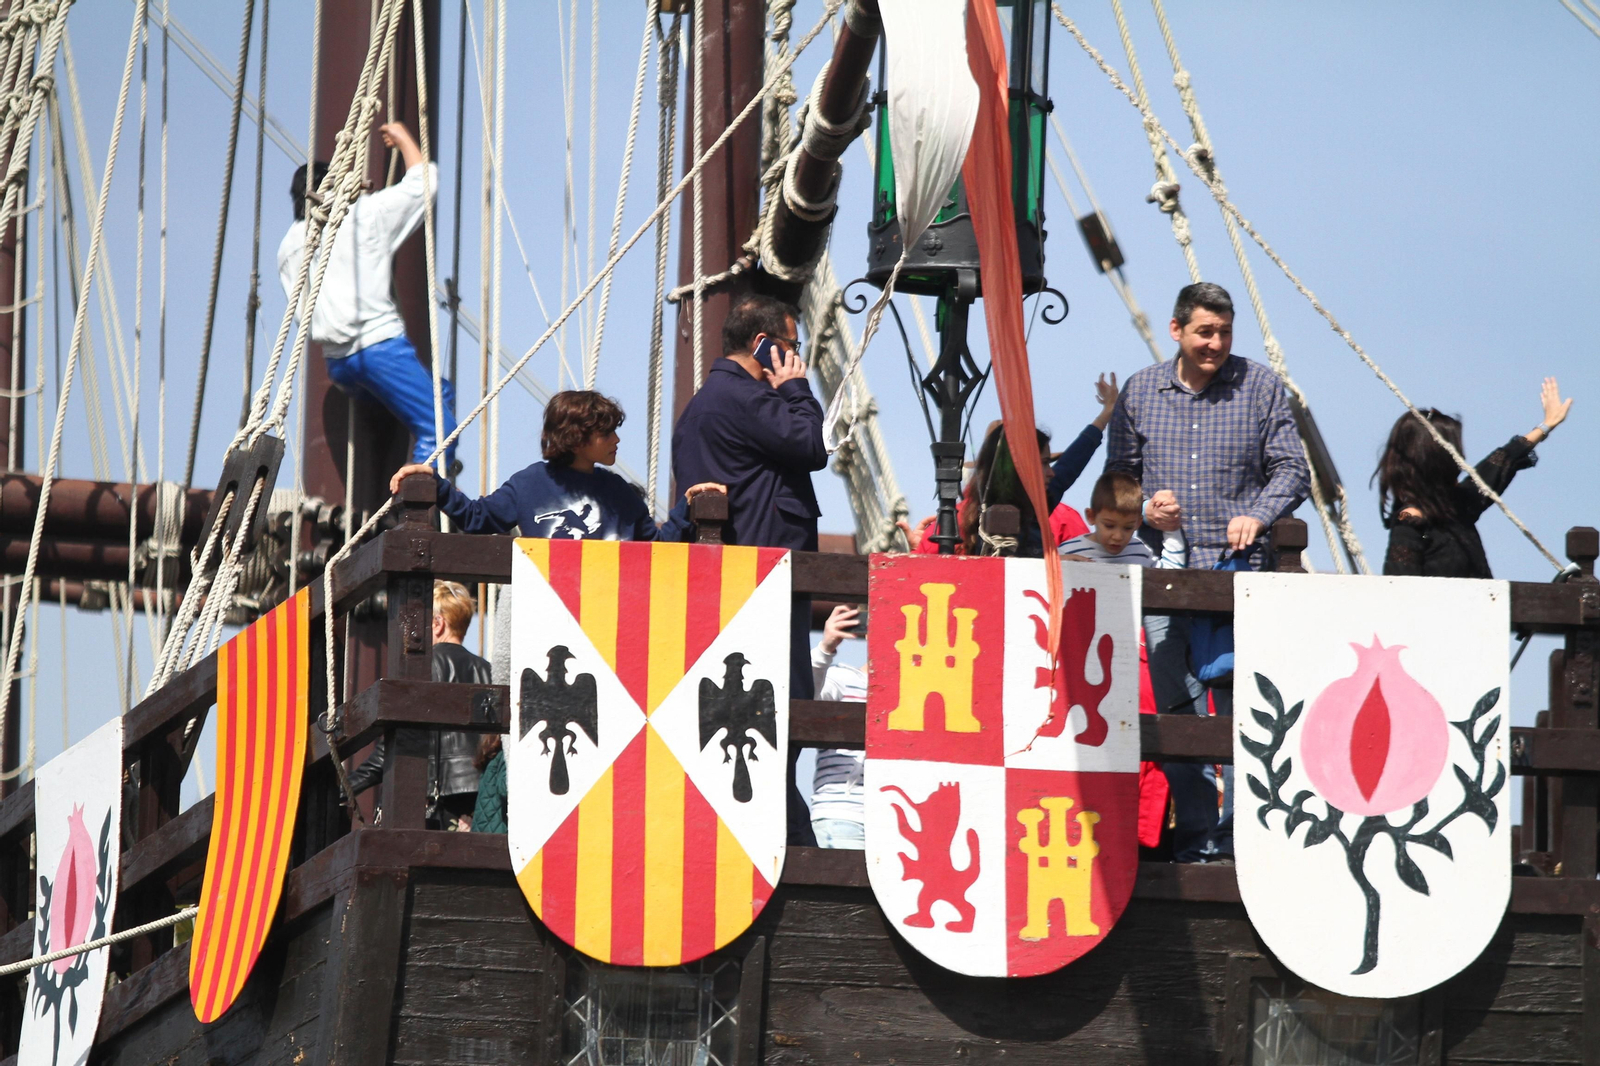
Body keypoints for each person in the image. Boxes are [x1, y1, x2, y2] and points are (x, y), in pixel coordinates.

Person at [1105, 281, 1309, 864]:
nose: (1216, 343)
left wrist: (1260, 513)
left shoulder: (1261, 386)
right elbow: (1118, 476)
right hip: (1165, 574)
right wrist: (1143, 509)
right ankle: (1196, 836)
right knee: (1178, 709)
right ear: (1177, 331)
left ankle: (1239, 834)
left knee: (1244, 705)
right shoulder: (1141, 391)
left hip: (1239, 573)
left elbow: (1293, 470)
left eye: (1224, 332)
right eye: (1204, 331)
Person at [672, 294, 824, 846]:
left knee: (751, 715)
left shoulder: (702, 407)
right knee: (780, 710)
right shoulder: (745, 398)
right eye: (792, 346)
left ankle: (783, 826)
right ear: (766, 345)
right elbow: (810, 444)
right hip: (765, 579)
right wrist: (795, 388)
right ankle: (787, 835)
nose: (796, 357)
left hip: (731, 581)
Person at [281, 122, 458, 471]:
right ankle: (413, 507)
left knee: (442, 391)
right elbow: (424, 183)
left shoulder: (288, 247)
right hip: (380, 350)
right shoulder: (362, 217)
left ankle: (418, 475)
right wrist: (404, 139)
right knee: (440, 427)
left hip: (339, 366)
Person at [394, 390, 662, 538]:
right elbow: (477, 518)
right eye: (606, 433)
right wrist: (435, 483)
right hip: (552, 616)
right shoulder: (531, 484)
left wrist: (692, 504)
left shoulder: (618, 491)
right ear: (576, 438)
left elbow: (657, 544)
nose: (617, 439)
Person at [1377, 379, 1572, 578]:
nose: (1461, 458)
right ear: (1437, 459)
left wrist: (1547, 425)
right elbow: (1398, 590)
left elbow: (1501, 461)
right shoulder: (1411, 522)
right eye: (1454, 451)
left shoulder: (1458, 506)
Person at [911, 374, 1120, 557]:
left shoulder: (1037, 505)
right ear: (1019, 468)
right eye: (1044, 463)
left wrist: (1105, 415)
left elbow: (1072, 463)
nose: (1052, 473)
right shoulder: (954, 525)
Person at [347, 581, 492, 828]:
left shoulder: (420, 671)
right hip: (477, 800)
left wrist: (347, 786)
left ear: (437, 624)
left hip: (433, 802)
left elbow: (395, 743)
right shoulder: (489, 671)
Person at [810, 605, 867, 849]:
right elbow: (804, 696)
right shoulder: (845, 679)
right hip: (844, 814)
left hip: (903, 820)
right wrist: (826, 647)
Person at [1059, 471, 1186, 568]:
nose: (1118, 536)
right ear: (1091, 516)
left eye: (1128, 527)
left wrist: (1172, 529)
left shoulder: (1140, 551)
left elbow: (1170, 574)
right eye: (1109, 526)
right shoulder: (1067, 552)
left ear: (1138, 523)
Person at [471, 734, 506, 833]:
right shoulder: (506, 752)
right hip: (499, 833)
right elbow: (506, 789)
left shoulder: (494, 752)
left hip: (487, 830)